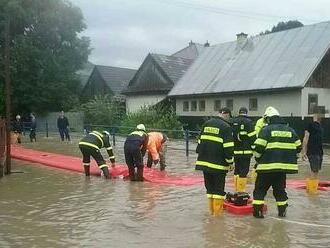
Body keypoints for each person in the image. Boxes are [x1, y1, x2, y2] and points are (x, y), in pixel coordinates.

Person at [252, 106, 301, 218]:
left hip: (265, 169)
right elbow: (298, 147)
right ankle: (282, 212)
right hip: (281, 170)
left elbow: (258, 148)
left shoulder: (266, 130)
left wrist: (258, 160)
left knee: (260, 190)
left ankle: (258, 213)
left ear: (268, 119)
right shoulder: (290, 130)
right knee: (280, 190)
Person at [196, 107, 234, 216]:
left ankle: (211, 214)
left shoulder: (206, 124)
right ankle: (217, 218)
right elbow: (228, 148)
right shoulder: (226, 127)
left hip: (204, 164)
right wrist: (230, 162)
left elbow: (199, 144)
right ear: (227, 115)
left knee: (210, 190)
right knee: (218, 191)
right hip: (218, 166)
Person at [232, 107, 256, 192]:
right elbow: (253, 138)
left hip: (235, 152)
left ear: (239, 112)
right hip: (246, 152)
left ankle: (236, 190)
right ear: (246, 113)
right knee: (243, 172)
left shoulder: (233, 121)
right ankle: (241, 191)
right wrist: (255, 150)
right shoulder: (249, 122)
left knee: (236, 170)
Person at [302, 111, 324, 193]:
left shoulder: (320, 126)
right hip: (313, 151)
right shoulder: (310, 125)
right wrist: (304, 151)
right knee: (314, 170)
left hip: (319, 152)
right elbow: (306, 138)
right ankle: (311, 191)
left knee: (316, 170)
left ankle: (312, 188)